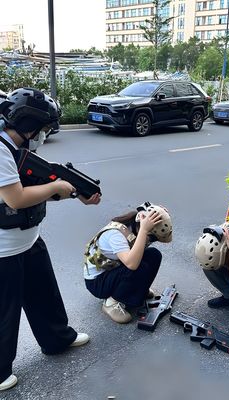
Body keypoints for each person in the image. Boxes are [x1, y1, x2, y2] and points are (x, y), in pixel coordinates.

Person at [0, 88, 101, 392]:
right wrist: (57, 187)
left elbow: (37, 185)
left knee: (45, 295)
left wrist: (74, 192)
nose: (44, 135)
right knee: (4, 311)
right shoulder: (1, 150)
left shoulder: (14, 147)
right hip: (4, 250)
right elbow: (16, 198)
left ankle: (57, 339)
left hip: (28, 239)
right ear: (28, 125)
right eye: (43, 128)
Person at [84, 202, 172, 324]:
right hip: (98, 283)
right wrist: (144, 230)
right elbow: (132, 264)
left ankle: (139, 289)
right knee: (137, 266)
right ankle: (111, 303)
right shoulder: (116, 234)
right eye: (151, 237)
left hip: (114, 268)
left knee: (154, 255)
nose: (150, 240)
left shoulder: (135, 227)